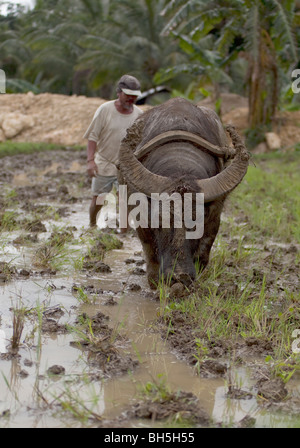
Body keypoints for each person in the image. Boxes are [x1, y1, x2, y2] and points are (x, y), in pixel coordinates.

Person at [84, 74, 143, 228]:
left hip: (126, 165)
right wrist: (90, 161)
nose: (130, 99)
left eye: (133, 97)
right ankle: (92, 225)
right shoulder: (105, 110)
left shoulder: (139, 115)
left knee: (125, 200)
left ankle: (124, 231)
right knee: (99, 198)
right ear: (119, 92)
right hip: (104, 161)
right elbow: (92, 136)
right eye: (127, 95)